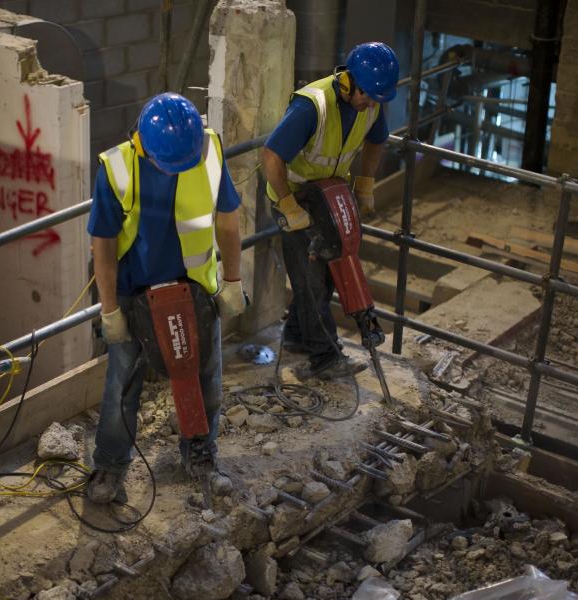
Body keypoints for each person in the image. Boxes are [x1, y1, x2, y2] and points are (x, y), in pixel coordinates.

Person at [86, 93, 246, 504]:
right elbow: (102, 246)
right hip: (134, 289)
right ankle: (110, 464)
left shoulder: (207, 150)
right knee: (123, 380)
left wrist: (231, 280)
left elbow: (228, 220)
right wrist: (110, 311)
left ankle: (201, 451)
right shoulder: (117, 167)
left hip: (195, 284)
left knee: (205, 373)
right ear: (142, 144)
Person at [262, 42, 399, 380]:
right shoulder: (313, 106)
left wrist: (365, 183)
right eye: (366, 96)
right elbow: (271, 156)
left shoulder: (372, 104)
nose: (370, 105)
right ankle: (325, 357)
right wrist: (288, 205)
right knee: (312, 281)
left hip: (330, 197)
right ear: (348, 82)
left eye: (377, 100)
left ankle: (296, 333)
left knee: (326, 274)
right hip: (295, 197)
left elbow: (377, 140)